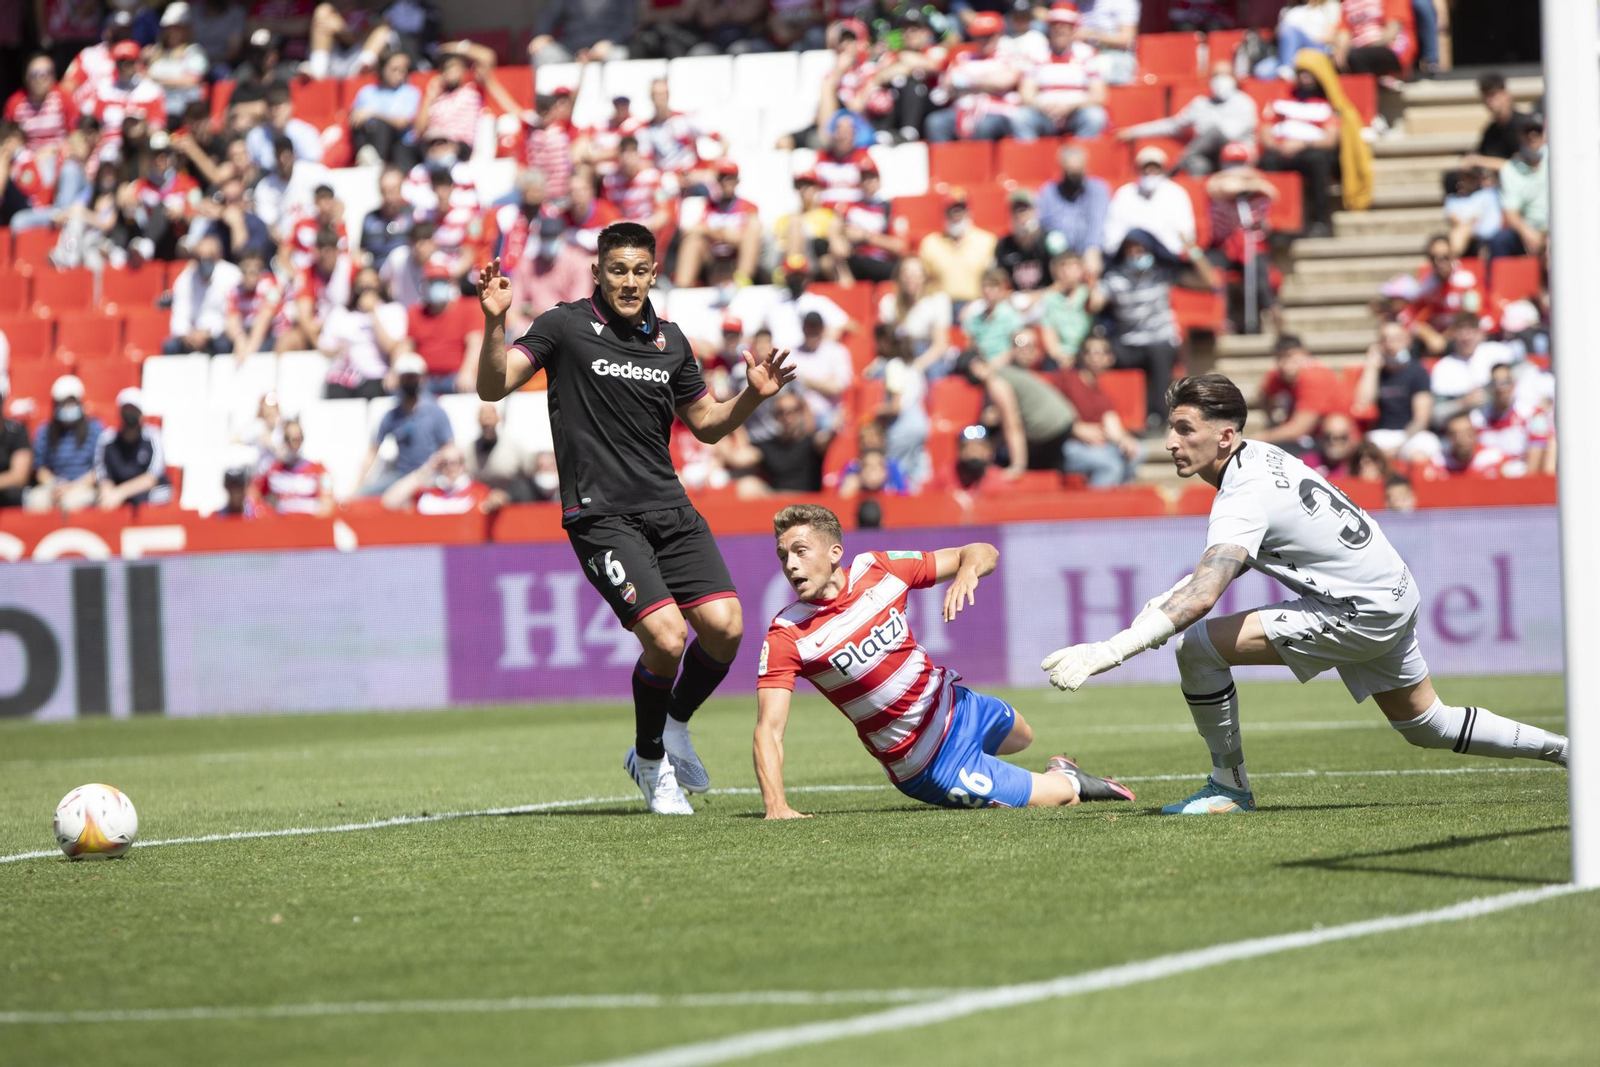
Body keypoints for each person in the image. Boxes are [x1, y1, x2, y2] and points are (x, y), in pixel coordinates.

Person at [1039, 373, 1567, 817]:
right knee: (1429, 725)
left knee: (1196, 647)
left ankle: (1229, 787)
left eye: (1185, 429)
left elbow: (1204, 595)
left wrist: (1112, 650)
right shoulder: (1263, 456)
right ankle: (1571, 751)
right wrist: (1164, 603)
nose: (1172, 442)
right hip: (1393, 591)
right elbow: (1226, 568)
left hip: (1358, 610)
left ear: (1224, 436)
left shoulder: (1241, 494)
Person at [474, 221, 798, 815]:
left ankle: (673, 725)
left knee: (725, 629)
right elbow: (493, 386)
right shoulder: (564, 325)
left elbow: (705, 424)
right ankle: (650, 761)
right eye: (616, 270)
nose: (628, 281)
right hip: (602, 515)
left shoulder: (671, 341)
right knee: (668, 638)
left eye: (639, 271)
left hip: (671, 508)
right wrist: (495, 320)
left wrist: (752, 396)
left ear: (654, 274)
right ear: (597, 272)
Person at [755, 503, 1134, 818]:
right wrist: (776, 805)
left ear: (835, 552)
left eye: (800, 551)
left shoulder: (879, 569)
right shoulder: (788, 633)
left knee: (1024, 736)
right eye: (783, 555)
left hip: (957, 705)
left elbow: (983, 551)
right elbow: (769, 729)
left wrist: (967, 571)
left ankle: (1036, 767)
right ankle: (1068, 780)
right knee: (1059, 797)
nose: (790, 564)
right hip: (928, 764)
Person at [1091, 228, 1216, 430]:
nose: (1136, 255)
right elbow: (1094, 303)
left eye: (1140, 250)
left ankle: (1157, 418)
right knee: (1097, 354)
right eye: (1131, 251)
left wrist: (1192, 250)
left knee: (1160, 352)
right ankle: (1106, 417)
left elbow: (1208, 281)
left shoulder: (1162, 272)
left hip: (1159, 340)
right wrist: (1092, 276)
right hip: (1127, 343)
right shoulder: (1115, 278)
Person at [1117, 62, 1256, 177]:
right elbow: (1173, 126)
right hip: (1208, 157)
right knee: (1196, 163)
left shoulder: (1244, 102)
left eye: (1225, 75)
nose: (1220, 80)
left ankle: (1174, 169)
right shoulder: (1200, 104)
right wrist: (1133, 132)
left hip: (1237, 157)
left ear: (1234, 78)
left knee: (1213, 133)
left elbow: (1228, 134)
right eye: (1216, 75)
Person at [925, 12, 1040, 143]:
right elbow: (948, 82)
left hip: (998, 112)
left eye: (988, 36)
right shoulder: (964, 57)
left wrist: (966, 81)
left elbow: (1003, 82)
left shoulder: (1011, 56)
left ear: (999, 35)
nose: (983, 41)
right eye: (979, 36)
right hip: (963, 110)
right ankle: (946, 163)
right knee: (936, 122)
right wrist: (985, 83)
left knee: (984, 125)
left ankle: (979, 163)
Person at [1259, 69, 1340, 237]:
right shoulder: (1281, 96)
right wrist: (1278, 146)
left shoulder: (1327, 102)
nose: (1305, 78)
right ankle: (1277, 223)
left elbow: (1331, 140)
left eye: (1309, 74)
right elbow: (1265, 129)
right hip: (1281, 149)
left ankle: (1320, 221)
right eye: (1302, 74)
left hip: (1311, 149)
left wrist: (1302, 144)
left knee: (1318, 161)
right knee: (1268, 162)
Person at [1051, 334, 1141, 485]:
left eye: (1101, 352)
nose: (1095, 357)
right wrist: (1075, 428)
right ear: (1082, 355)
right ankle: (1098, 507)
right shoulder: (1066, 378)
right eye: (1090, 352)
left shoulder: (1102, 394)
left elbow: (1112, 426)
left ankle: (1118, 499)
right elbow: (1050, 412)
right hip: (1067, 445)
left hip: (1096, 445)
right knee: (1110, 465)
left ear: (1109, 358)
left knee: (1138, 452)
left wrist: (1125, 440)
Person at [359, 352, 453, 493]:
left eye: (412, 377)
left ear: (422, 378)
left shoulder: (436, 412)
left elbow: (449, 448)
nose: (409, 382)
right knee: (367, 494)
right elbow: (372, 451)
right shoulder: (392, 415)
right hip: (402, 477)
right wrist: (358, 486)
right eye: (405, 378)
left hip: (430, 477)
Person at [1018, 4, 1109, 139]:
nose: (1059, 30)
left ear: (1073, 29)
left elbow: (1099, 96)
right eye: (1055, 25)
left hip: (1076, 112)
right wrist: (1043, 106)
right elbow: (1026, 94)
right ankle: (1028, 159)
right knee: (1021, 117)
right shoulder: (1036, 54)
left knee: (1095, 116)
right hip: (1043, 112)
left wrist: (1069, 106)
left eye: (1064, 25)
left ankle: (1080, 157)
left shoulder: (1087, 54)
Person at [320, 265, 407, 399]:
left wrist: (372, 312)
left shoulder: (393, 310)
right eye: (362, 285)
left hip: (377, 378)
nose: (366, 290)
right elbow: (324, 347)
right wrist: (337, 351)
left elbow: (391, 348)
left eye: (371, 285)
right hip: (345, 378)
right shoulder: (340, 313)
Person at [675, 158, 762, 289]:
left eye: (729, 178)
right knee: (693, 241)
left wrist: (714, 233)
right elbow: (691, 231)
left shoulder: (749, 206)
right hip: (712, 256)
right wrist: (722, 233)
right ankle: (681, 286)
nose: (725, 183)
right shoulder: (708, 206)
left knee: (751, 236)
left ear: (737, 181)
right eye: (721, 178)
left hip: (736, 255)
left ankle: (742, 281)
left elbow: (752, 231)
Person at [1255, 335, 1349, 455]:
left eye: (1290, 357)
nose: (1286, 364)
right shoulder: (1278, 375)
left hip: (1335, 439)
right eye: (1281, 358)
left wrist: (1263, 437)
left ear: (1304, 354)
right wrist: (1272, 420)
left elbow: (1299, 429)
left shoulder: (1314, 376)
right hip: (1310, 436)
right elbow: (1264, 393)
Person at [24, 376, 102, 513]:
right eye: (62, 403)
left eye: (71, 402)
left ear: (79, 402)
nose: (67, 407)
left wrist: (72, 487)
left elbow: (99, 469)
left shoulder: (95, 429)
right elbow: (40, 469)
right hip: (53, 486)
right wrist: (55, 485)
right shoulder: (45, 431)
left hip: (83, 486)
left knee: (72, 503)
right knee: (36, 499)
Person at [1354, 321, 1432, 457]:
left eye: (1396, 339)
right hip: (1381, 434)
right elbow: (1363, 403)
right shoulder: (1376, 372)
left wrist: (1399, 446)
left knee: (1419, 454)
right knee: (1366, 455)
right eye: (1385, 339)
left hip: (1410, 435)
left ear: (1407, 341)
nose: (1390, 344)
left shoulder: (1418, 371)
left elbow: (1421, 419)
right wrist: (1372, 367)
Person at [1104, 146, 1197, 259]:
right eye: (1146, 168)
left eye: (1155, 168)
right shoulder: (1125, 193)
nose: (1150, 172)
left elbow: (1186, 232)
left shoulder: (1176, 193)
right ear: (1139, 170)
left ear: (1162, 170)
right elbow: (1113, 229)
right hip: (1128, 254)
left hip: (1164, 255)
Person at [1035, 143, 1110, 278]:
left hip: (1088, 255)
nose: (1074, 177)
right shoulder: (1049, 192)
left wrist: (1092, 250)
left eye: (1078, 172)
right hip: (1058, 257)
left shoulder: (1098, 189)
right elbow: (1045, 225)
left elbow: (1097, 224)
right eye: (1070, 173)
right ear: (1062, 169)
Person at [408, 262, 482, 395]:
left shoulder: (469, 307)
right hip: (425, 379)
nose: (437, 286)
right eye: (432, 282)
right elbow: (406, 346)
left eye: (441, 281)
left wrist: (467, 372)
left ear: (451, 284)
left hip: (455, 378)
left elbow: (475, 344)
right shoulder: (415, 313)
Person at [94, 388, 171, 510]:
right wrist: (108, 493)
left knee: (156, 498)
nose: (130, 415)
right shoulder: (107, 439)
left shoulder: (152, 437)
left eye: (133, 410)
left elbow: (153, 476)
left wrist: (120, 493)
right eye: (126, 410)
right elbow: (102, 475)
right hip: (115, 497)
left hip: (145, 494)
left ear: (141, 413)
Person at [381, 441, 509, 514]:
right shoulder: (428, 495)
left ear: (463, 465)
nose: (450, 468)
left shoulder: (479, 491)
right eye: (444, 463)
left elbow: (498, 500)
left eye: (454, 463)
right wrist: (426, 469)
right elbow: (390, 502)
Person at [166, 233, 244, 353]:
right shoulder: (186, 279)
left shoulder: (232, 275)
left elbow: (232, 316)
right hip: (191, 335)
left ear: (218, 256)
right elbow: (179, 316)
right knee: (170, 347)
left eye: (208, 258)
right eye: (200, 258)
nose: (204, 262)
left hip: (219, 334)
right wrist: (187, 334)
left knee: (223, 345)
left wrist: (207, 333)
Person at [919, 191, 999, 305]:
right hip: (940, 304)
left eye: (961, 209)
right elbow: (922, 280)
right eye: (951, 210)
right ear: (944, 214)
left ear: (969, 212)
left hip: (976, 302)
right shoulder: (930, 243)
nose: (956, 214)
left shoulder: (987, 241)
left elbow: (995, 280)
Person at [349, 50, 420, 168]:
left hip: (398, 144)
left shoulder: (410, 92)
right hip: (368, 137)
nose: (399, 74)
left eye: (403, 70)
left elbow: (401, 123)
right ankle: (368, 156)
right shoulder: (366, 92)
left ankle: (376, 162)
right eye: (394, 69)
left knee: (381, 125)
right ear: (382, 68)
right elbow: (355, 116)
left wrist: (372, 114)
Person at [1489, 117, 1548, 259]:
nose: (1532, 137)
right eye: (1527, 132)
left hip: (1562, 226)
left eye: (1537, 132)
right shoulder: (1510, 170)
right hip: (1529, 230)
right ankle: (1505, 281)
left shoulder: (1559, 159)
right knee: (1500, 241)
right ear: (1520, 136)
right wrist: (1526, 232)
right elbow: (1511, 213)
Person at [255, 417, 333, 516]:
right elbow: (253, 495)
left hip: (310, 526)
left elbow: (327, 505)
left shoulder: (320, 471)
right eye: (289, 439)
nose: (293, 444)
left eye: (297, 439)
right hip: (282, 528)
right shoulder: (273, 471)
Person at [1460, 74, 1533, 173]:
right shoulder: (1491, 130)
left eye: (1492, 95)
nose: (1489, 101)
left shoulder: (1524, 125)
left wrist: (1478, 161)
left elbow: (1525, 165)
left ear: (1506, 95)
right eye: (1485, 96)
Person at [464, 402, 534, 502]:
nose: (487, 423)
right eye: (484, 424)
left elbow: (528, 475)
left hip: (513, 499)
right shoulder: (469, 450)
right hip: (481, 499)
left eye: (490, 418)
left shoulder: (514, 447)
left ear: (498, 419)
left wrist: (507, 495)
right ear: (478, 421)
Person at [224, 249, 282, 360]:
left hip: (271, 333)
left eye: (256, 270)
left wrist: (249, 349)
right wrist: (239, 340)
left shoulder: (271, 284)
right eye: (247, 270)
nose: (252, 274)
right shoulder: (234, 290)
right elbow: (231, 319)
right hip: (247, 332)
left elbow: (265, 316)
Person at [1334, 0, 1414, 76]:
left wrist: (1370, 48)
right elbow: (1343, 31)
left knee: (1356, 57)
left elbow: (1392, 30)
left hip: (1391, 48)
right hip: (1359, 49)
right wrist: (1340, 53)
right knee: (1333, 62)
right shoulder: (1348, 2)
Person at [995, 189, 1052, 293]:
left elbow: (1062, 281)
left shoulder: (1050, 241)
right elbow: (998, 281)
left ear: (1035, 210)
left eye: (1025, 208)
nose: (1020, 214)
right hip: (1015, 299)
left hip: (1046, 297)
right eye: (1016, 209)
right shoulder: (1003, 245)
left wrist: (1038, 296)